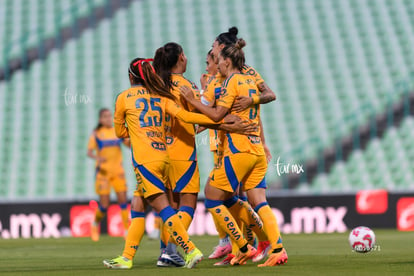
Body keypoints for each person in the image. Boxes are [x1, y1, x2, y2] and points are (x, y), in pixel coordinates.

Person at [102, 57, 239, 269]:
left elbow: (121, 133)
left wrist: (137, 128)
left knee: (164, 208)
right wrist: (220, 122)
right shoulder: (161, 97)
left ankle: (188, 249)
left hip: (145, 160)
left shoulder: (124, 98)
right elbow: (186, 117)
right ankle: (127, 257)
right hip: (163, 157)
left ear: (131, 76)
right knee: (138, 204)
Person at [180, 39, 288, 267]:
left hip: (238, 150)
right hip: (256, 149)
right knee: (258, 202)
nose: (216, 65)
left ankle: (243, 246)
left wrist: (191, 100)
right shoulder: (250, 79)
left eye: (218, 61)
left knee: (212, 196)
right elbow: (267, 96)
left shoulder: (231, 82)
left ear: (227, 61)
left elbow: (217, 115)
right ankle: (277, 249)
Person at [87, 108, 130, 242]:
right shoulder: (97, 134)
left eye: (109, 116)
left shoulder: (117, 131)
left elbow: (128, 145)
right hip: (103, 173)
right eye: (105, 117)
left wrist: (131, 139)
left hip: (118, 172)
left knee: (123, 200)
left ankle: (126, 231)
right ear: (100, 119)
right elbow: (89, 152)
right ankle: (95, 224)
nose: (108, 119)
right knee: (104, 205)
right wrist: (97, 158)